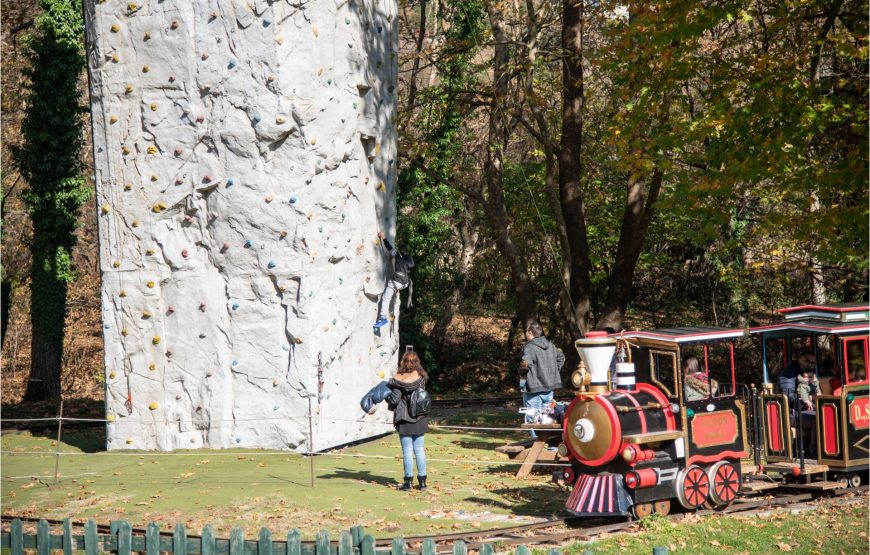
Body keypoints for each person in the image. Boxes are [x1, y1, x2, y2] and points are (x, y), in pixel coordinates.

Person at [386, 351, 429, 490]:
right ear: (417, 362)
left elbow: (395, 399)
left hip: (404, 418)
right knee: (420, 450)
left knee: (407, 451)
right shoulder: (422, 376)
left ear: (403, 362)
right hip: (420, 416)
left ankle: (408, 482)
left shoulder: (398, 379)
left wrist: (387, 396)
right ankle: (422, 482)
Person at [519, 322, 565, 434]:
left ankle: (535, 448)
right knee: (547, 420)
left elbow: (525, 364)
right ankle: (551, 446)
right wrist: (554, 372)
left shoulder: (530, 347)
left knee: (533, 421)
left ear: (530, 332)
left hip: (533, 388)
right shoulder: (551, 345)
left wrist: (522, 377)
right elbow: (561, 358)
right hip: (549, 388)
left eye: (526, 331)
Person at [374, 231, 414, 329]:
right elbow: (411, 266)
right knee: (393, 295)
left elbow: (389, 247)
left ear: (400, 250)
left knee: (386, 298)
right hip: (405, 283)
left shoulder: (398, 255)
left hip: (397, 280)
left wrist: (383, 237)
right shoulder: (409, 258)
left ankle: (383, 318)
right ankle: (391, 314)